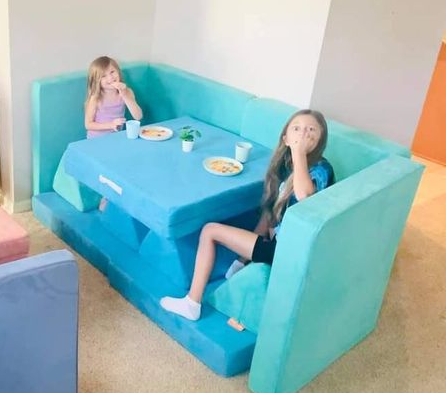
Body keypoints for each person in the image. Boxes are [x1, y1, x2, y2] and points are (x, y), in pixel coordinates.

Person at [160, 109, 335, 322]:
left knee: (209, 231)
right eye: (296, 129)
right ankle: (242, 263)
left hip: (291, 253)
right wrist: (241, 261)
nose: (302, 134)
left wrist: (299, 154)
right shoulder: (286, 163)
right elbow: (272, 212)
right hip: (279, 241)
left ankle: (191, 303)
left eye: (311, 131)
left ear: (320, 140)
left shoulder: (321, 169)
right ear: (285, 138)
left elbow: (305, 196)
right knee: (266, 210)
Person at [84, 56, 143, 139]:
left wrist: (124, 95)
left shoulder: (127, 92)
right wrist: (111, 125)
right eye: (103, 76)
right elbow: (88, 124)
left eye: (112, 72)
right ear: (97, 81)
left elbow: (138, 116)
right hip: (95, 139)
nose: (110, 78)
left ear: (118, 71)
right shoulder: (95, 98)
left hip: (116, 137)